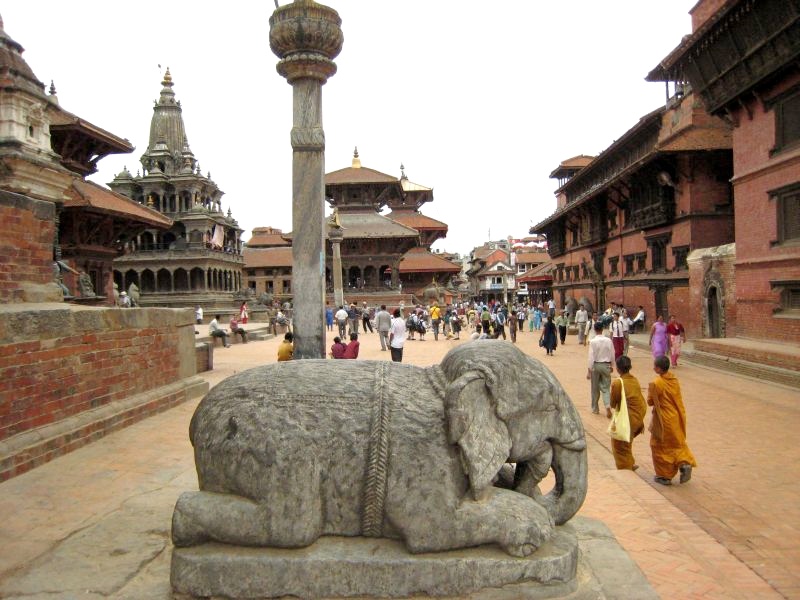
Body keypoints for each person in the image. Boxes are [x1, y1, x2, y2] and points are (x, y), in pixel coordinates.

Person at [647, 356, 697, 485]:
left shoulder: (657, 383)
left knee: (659, 446)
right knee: (677, 443)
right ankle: (685, 463)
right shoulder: (673, 379)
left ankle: (665, 476)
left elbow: (650, 401)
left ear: (659, 368)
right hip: (676, 416)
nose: (653, 368)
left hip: (664, 419)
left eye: (655, 366)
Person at [610, 356, 647, 470]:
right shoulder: (634, 380)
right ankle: (630, 463)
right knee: (627, 443)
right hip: (638, 418)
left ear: (618, 368)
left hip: (627, 419)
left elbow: (613, 403)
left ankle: (626, 468)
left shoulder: (617, 383)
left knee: (619, 446)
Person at [587, 322, 614, 417]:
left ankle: (595, 408)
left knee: (594, 388)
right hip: (606, 365)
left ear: (594, 330)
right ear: (602, 329)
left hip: (596, 365)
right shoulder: (608, 341)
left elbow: (591, 357)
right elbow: (612, 354)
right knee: (606, 388)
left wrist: (589, 370)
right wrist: (612, 366)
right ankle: (607, 406)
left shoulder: (593, 341)